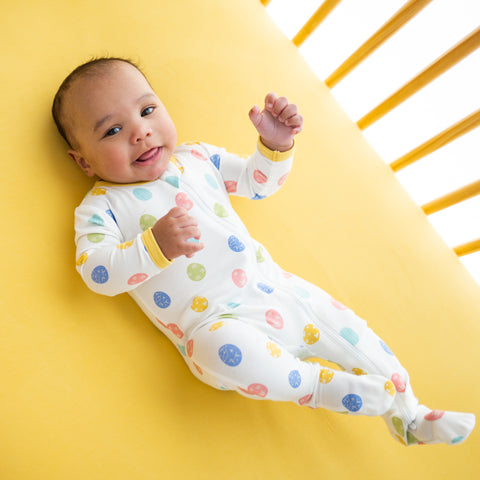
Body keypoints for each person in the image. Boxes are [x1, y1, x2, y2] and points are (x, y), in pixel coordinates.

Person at [52, 57, 475, 446]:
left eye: (147, 111)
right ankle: (316, 386)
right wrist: (153, 247)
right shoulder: (101, 206)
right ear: (84, 162)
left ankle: (411, 416)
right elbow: (96, 272)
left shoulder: (197, 158)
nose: (140, 131)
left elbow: (256, 183)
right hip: (215, 324)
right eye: (112, 130)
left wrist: (274, 148)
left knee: (353, 332)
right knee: (216, 349)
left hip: (276, 290)